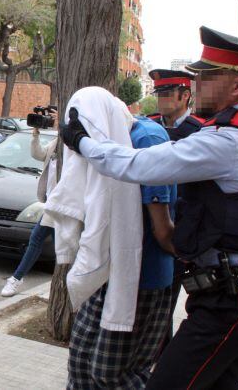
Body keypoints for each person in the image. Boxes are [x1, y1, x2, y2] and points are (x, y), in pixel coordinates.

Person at [60, 26, 238, 389]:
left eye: (206, 77)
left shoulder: (228, 142)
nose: (195, 85)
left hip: (230, 300)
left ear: (237, 86)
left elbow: (137, 166)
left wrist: (82, 141)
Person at [68, 114, 176, 389]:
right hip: (104, 274)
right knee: (80, 365)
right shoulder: (106, 137)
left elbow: (163, 229)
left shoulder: (146, 137)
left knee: (110, 373)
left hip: (142, 279)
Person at [146, 68, 204, 349]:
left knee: (168, 302)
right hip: (150, 225)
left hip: (180, 230)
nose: (162, 99)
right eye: (159, 93)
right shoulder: (150, 126)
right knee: (150, 304)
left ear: (185, 96)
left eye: (168, 93)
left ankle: (161, 357)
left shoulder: (199, 131)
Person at [1, 121, 57, 297]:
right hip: (52, 203)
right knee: (40, 240)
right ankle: (17, 278)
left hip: (63, 204)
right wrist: (35, 134)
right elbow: (38, 154)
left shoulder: (72, 147)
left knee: (52, 244)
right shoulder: (56, 142)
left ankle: (17, 278)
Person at [147, 69, 205, 141]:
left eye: (167, 95)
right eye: (159, 95)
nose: (161, 100)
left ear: (185, 95)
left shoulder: (202, 128)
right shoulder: (149, 124)